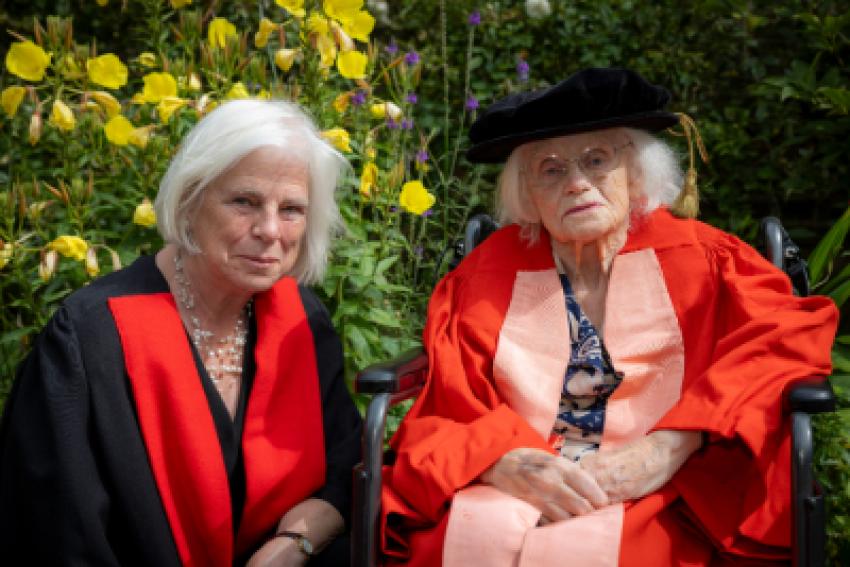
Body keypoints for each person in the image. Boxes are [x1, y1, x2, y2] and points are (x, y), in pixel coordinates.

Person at [379, 68, 839, 565]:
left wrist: (668, 446)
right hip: (515, 481)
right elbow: (451, 401)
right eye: (550, 169)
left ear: (635, 173)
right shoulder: (484, 275)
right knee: (457, 538)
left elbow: (785, 341)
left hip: (662, 494)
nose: (576, 183)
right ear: (527, 192)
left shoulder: (709, 261)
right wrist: (498, 460)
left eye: (597, 160)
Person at [0, 99, 363, 566]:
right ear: (190, 199)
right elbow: (56, 533)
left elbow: (347, 467)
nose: (270, 229)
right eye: (244, 201)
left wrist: (293, 544)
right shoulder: (91, 339)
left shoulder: (302, 322)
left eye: (291, 209)